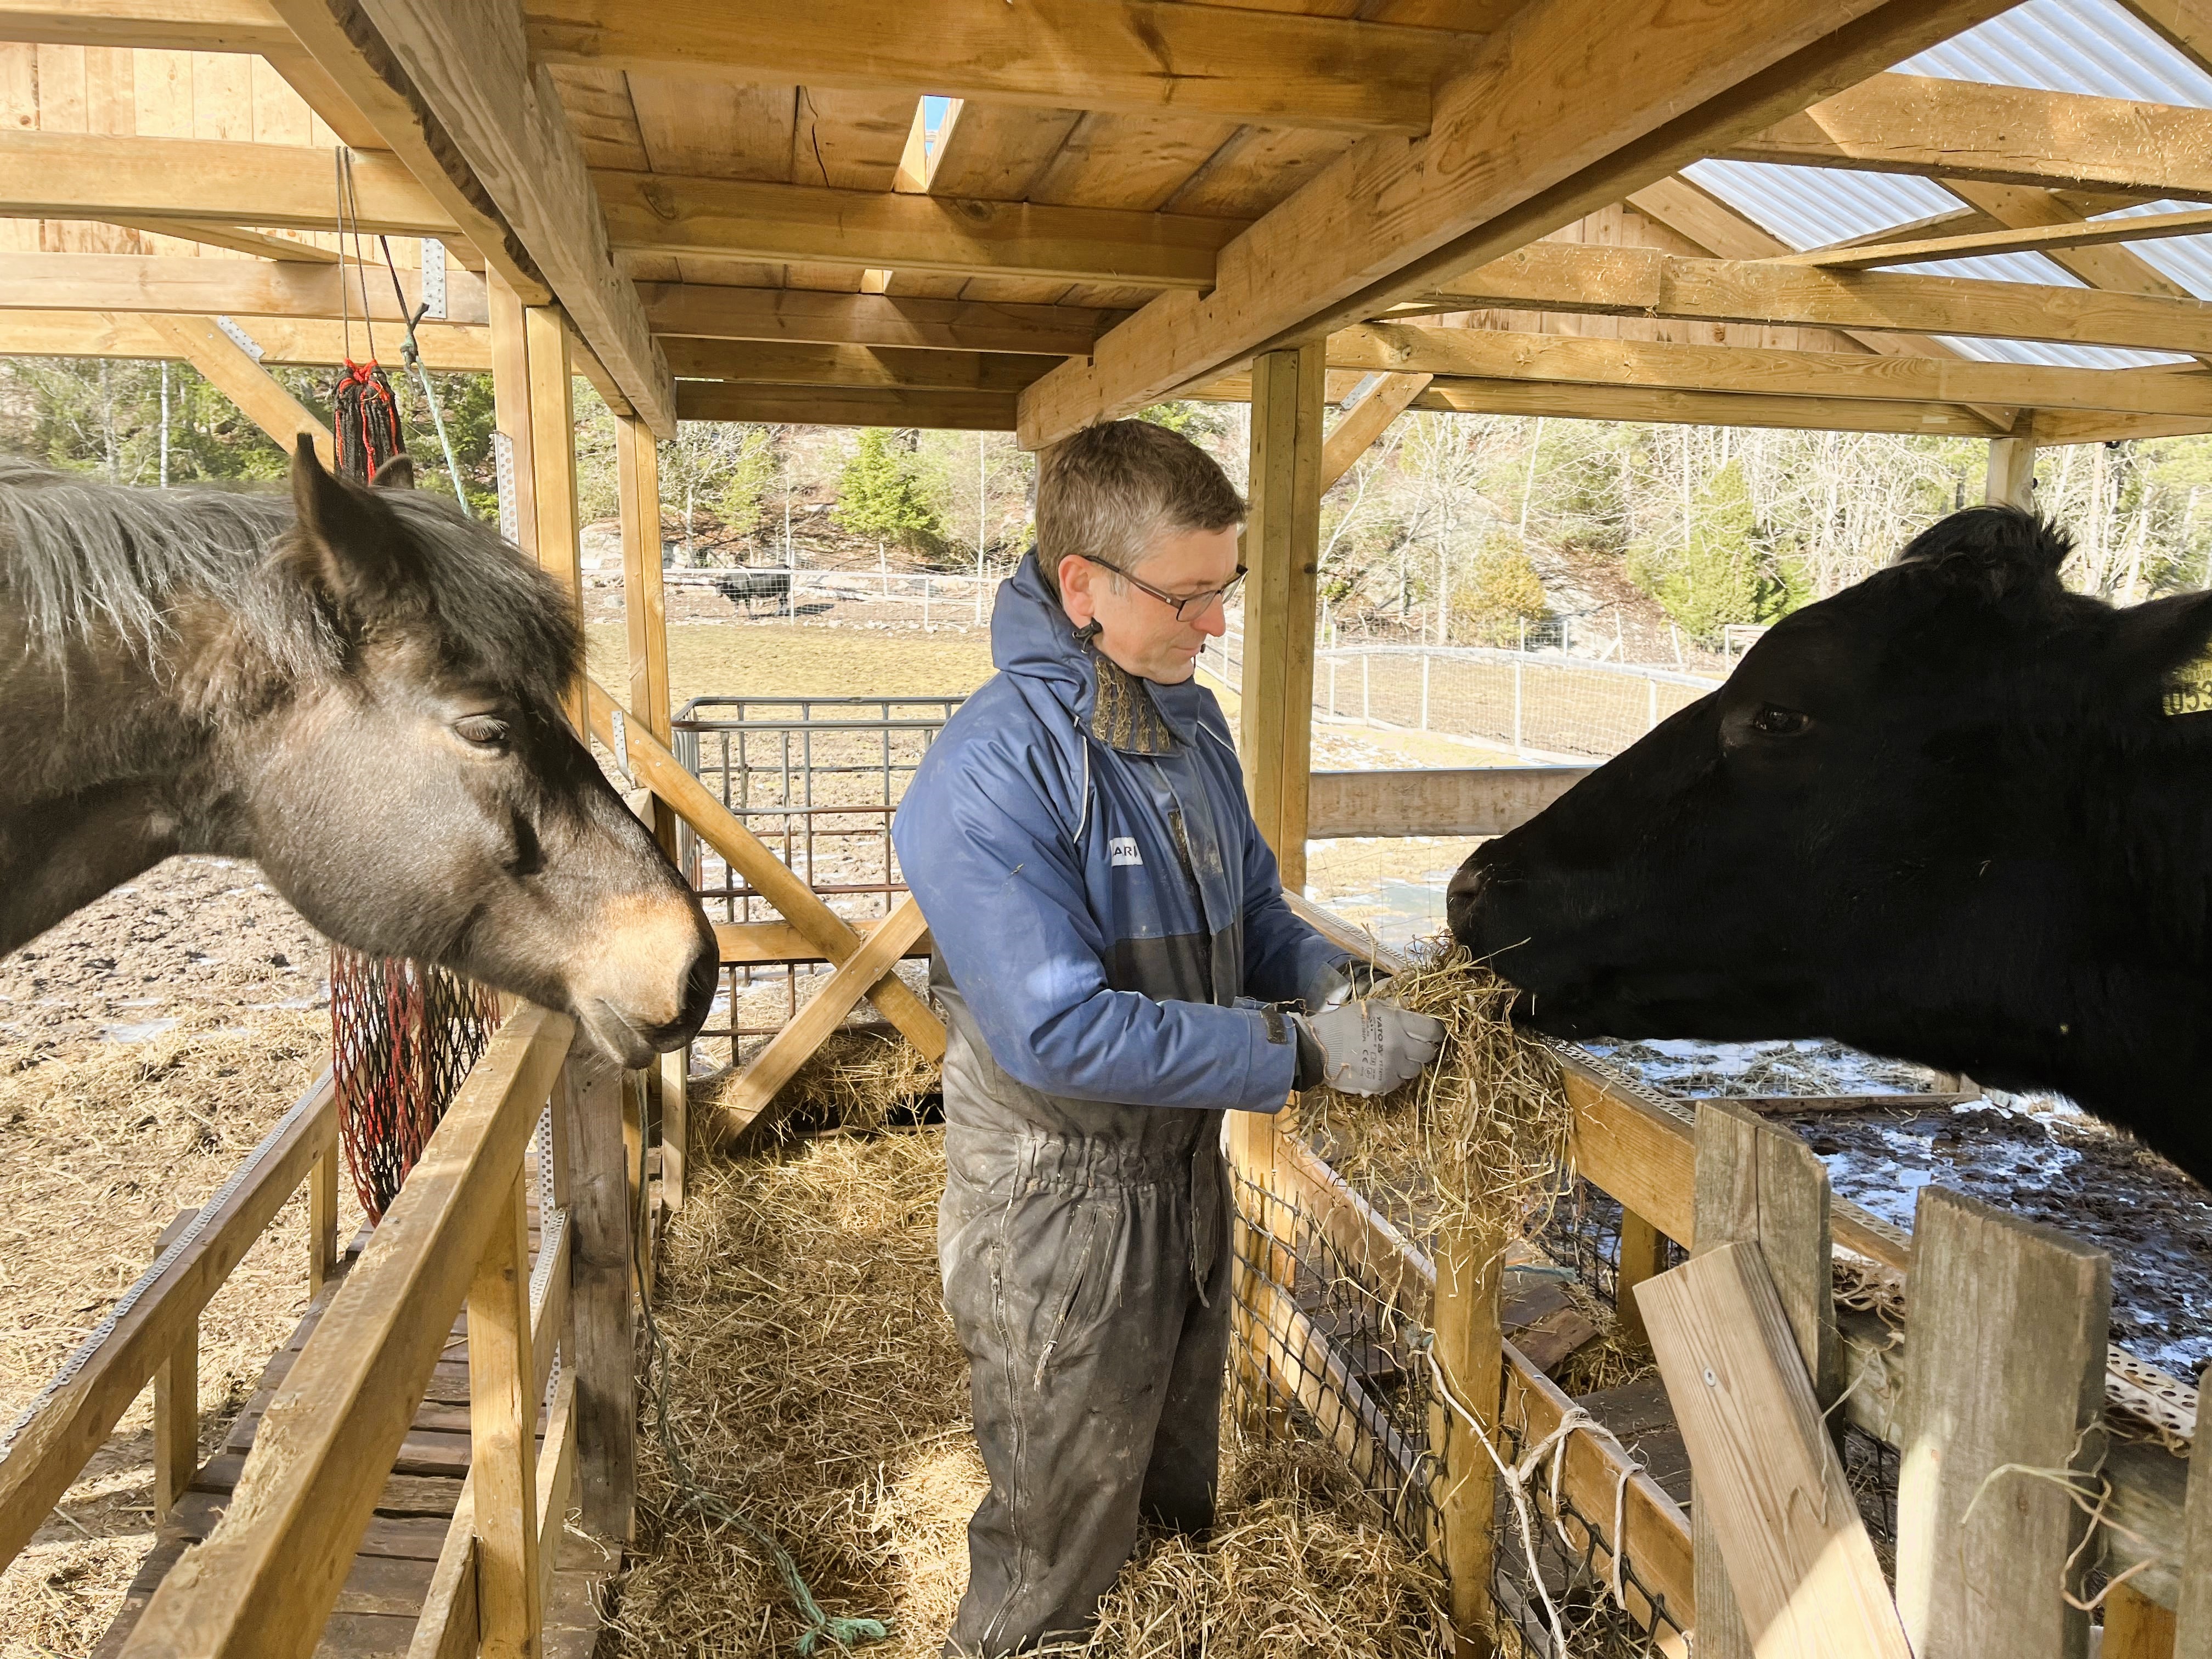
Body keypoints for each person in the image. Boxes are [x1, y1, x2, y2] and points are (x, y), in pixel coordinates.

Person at [891, 419, 1445, 1656]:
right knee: (1056, 1545)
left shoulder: (1190, 732)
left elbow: (1254, 915)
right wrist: (1299, 1057)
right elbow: (1057, 1030)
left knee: (1172, 1507)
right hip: (1060, 1203)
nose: (1217, 625)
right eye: (1190, 597)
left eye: (1225, 589)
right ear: (1082, 585)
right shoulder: (992, 773)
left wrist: (1337, 987)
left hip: (1185, 1174)